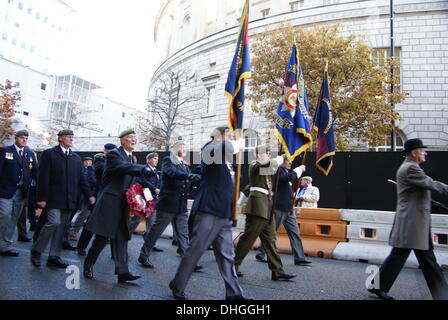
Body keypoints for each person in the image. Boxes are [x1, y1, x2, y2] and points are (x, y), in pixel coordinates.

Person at [169, 127, 250, 300]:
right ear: (218, 136)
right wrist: (236, 144)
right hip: (209, 209)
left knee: (227, 255)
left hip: (224, 211)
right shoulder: (209, 148)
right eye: (228, 135)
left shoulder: (228, 159)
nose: (231, 138)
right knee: (196, 249)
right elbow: (222, 149)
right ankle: (177, 284)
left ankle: (234, 294)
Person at [368, 138, 448, 300]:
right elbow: (431, 184)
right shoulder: (411, 168)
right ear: (414, 152)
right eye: (423, 150)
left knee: (401, 255)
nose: (425, 153)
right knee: (427, 260)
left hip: (414, 221)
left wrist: (432, 203)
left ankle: (377, 286)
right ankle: (442, 294)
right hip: (414, 222)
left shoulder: (409, 167)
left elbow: (414, 192)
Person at [83, 130, 155, 283]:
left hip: (124, 204)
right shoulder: (114, 154)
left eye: (135, 138)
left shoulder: (131, 158)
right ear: (122, 140)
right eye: (130, 137)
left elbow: (138, 182)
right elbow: (124, 167)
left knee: (122, 236)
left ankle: (123, 272)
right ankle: (88, 264)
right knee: (102, 237)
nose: (133, 140)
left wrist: (149, 198)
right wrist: (143, 168)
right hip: (110, 202)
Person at [30, 130, 94, 268]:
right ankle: (37, 250)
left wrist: (89, 195)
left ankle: (54, 256)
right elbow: (43, 177)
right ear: (60, 138)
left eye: (72, 137)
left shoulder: (75, 158)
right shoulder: (49, 154)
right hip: (53, 198)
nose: (71, 139)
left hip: (69, 200)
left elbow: (82, 179)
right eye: (68, 136)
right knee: (53, 222)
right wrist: (41, 198)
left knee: (61, 228)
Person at [234, 146, 297, 281]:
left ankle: (277, 271)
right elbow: (269, 165)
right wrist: (278, 159)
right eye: (266, 153)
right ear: (258, 155)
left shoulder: (265, 170)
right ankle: (232, 266)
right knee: (248, 239)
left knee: (271, 241)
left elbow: (252, 185)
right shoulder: (255, 165)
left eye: (269, 153)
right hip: (257, 208)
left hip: (267, 208)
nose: (268, 155)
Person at [137, 140, 201, 269]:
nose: (184, 149)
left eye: (184, 146)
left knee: (183, 234)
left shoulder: (184, 165)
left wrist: (195, 184)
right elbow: (173, 173)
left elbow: (186, 183)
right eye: (182, 146)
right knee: (156, 231)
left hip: (180, 204)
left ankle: (188, 261)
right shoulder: (168, 160)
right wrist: (190, 177)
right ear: (175, 148)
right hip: (168, 203)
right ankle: (143, 255)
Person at [255, 157, 312, 265]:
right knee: (271, 232)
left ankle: (299, 257)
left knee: (294, 233)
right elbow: (287, 178)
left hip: (288, 209)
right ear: (282, 162)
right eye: (288, 161)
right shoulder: (277, 171)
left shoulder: (286, 171)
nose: (290, 163)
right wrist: (298, 170)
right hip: (278, 208)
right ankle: (261, 252)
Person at [0, 130, 37, 257]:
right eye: (22, 138)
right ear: (16, 138)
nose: (24, 140)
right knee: (4, 215)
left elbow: (34, 172)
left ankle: (5, 246)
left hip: (21, 191)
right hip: (5, 190)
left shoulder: (29, 154)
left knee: (14, 219)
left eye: (26, 138)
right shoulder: (5, 151)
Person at [76, 144, 116, 256]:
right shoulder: (100, 164)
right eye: (111, 151)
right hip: (98, 198)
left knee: (113, 224)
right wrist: (91, 195)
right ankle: (81, 247)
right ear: (105, 151)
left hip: (110, 198)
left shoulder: (114, 163)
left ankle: (115, 253)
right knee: (90, 223)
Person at [136, 152, 163, 252]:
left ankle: (150, 241)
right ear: (148, 160)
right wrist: (154, 189)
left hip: (153, 198)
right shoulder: (144, 169)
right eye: (155, 158)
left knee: (152, 221)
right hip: (145, 196)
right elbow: (142, 181)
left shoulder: (156, 171)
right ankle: (147, 239)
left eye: (157, 159)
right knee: (137, 220)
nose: (157, 160)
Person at [69, 156, 96, 241]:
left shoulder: (92, 169)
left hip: (88, 195)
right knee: (81, 214)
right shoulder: (85, 170)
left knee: (84, 214)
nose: (89, 163)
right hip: (83, 195)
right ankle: (72, 231)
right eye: (87, 161)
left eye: (90, 162)